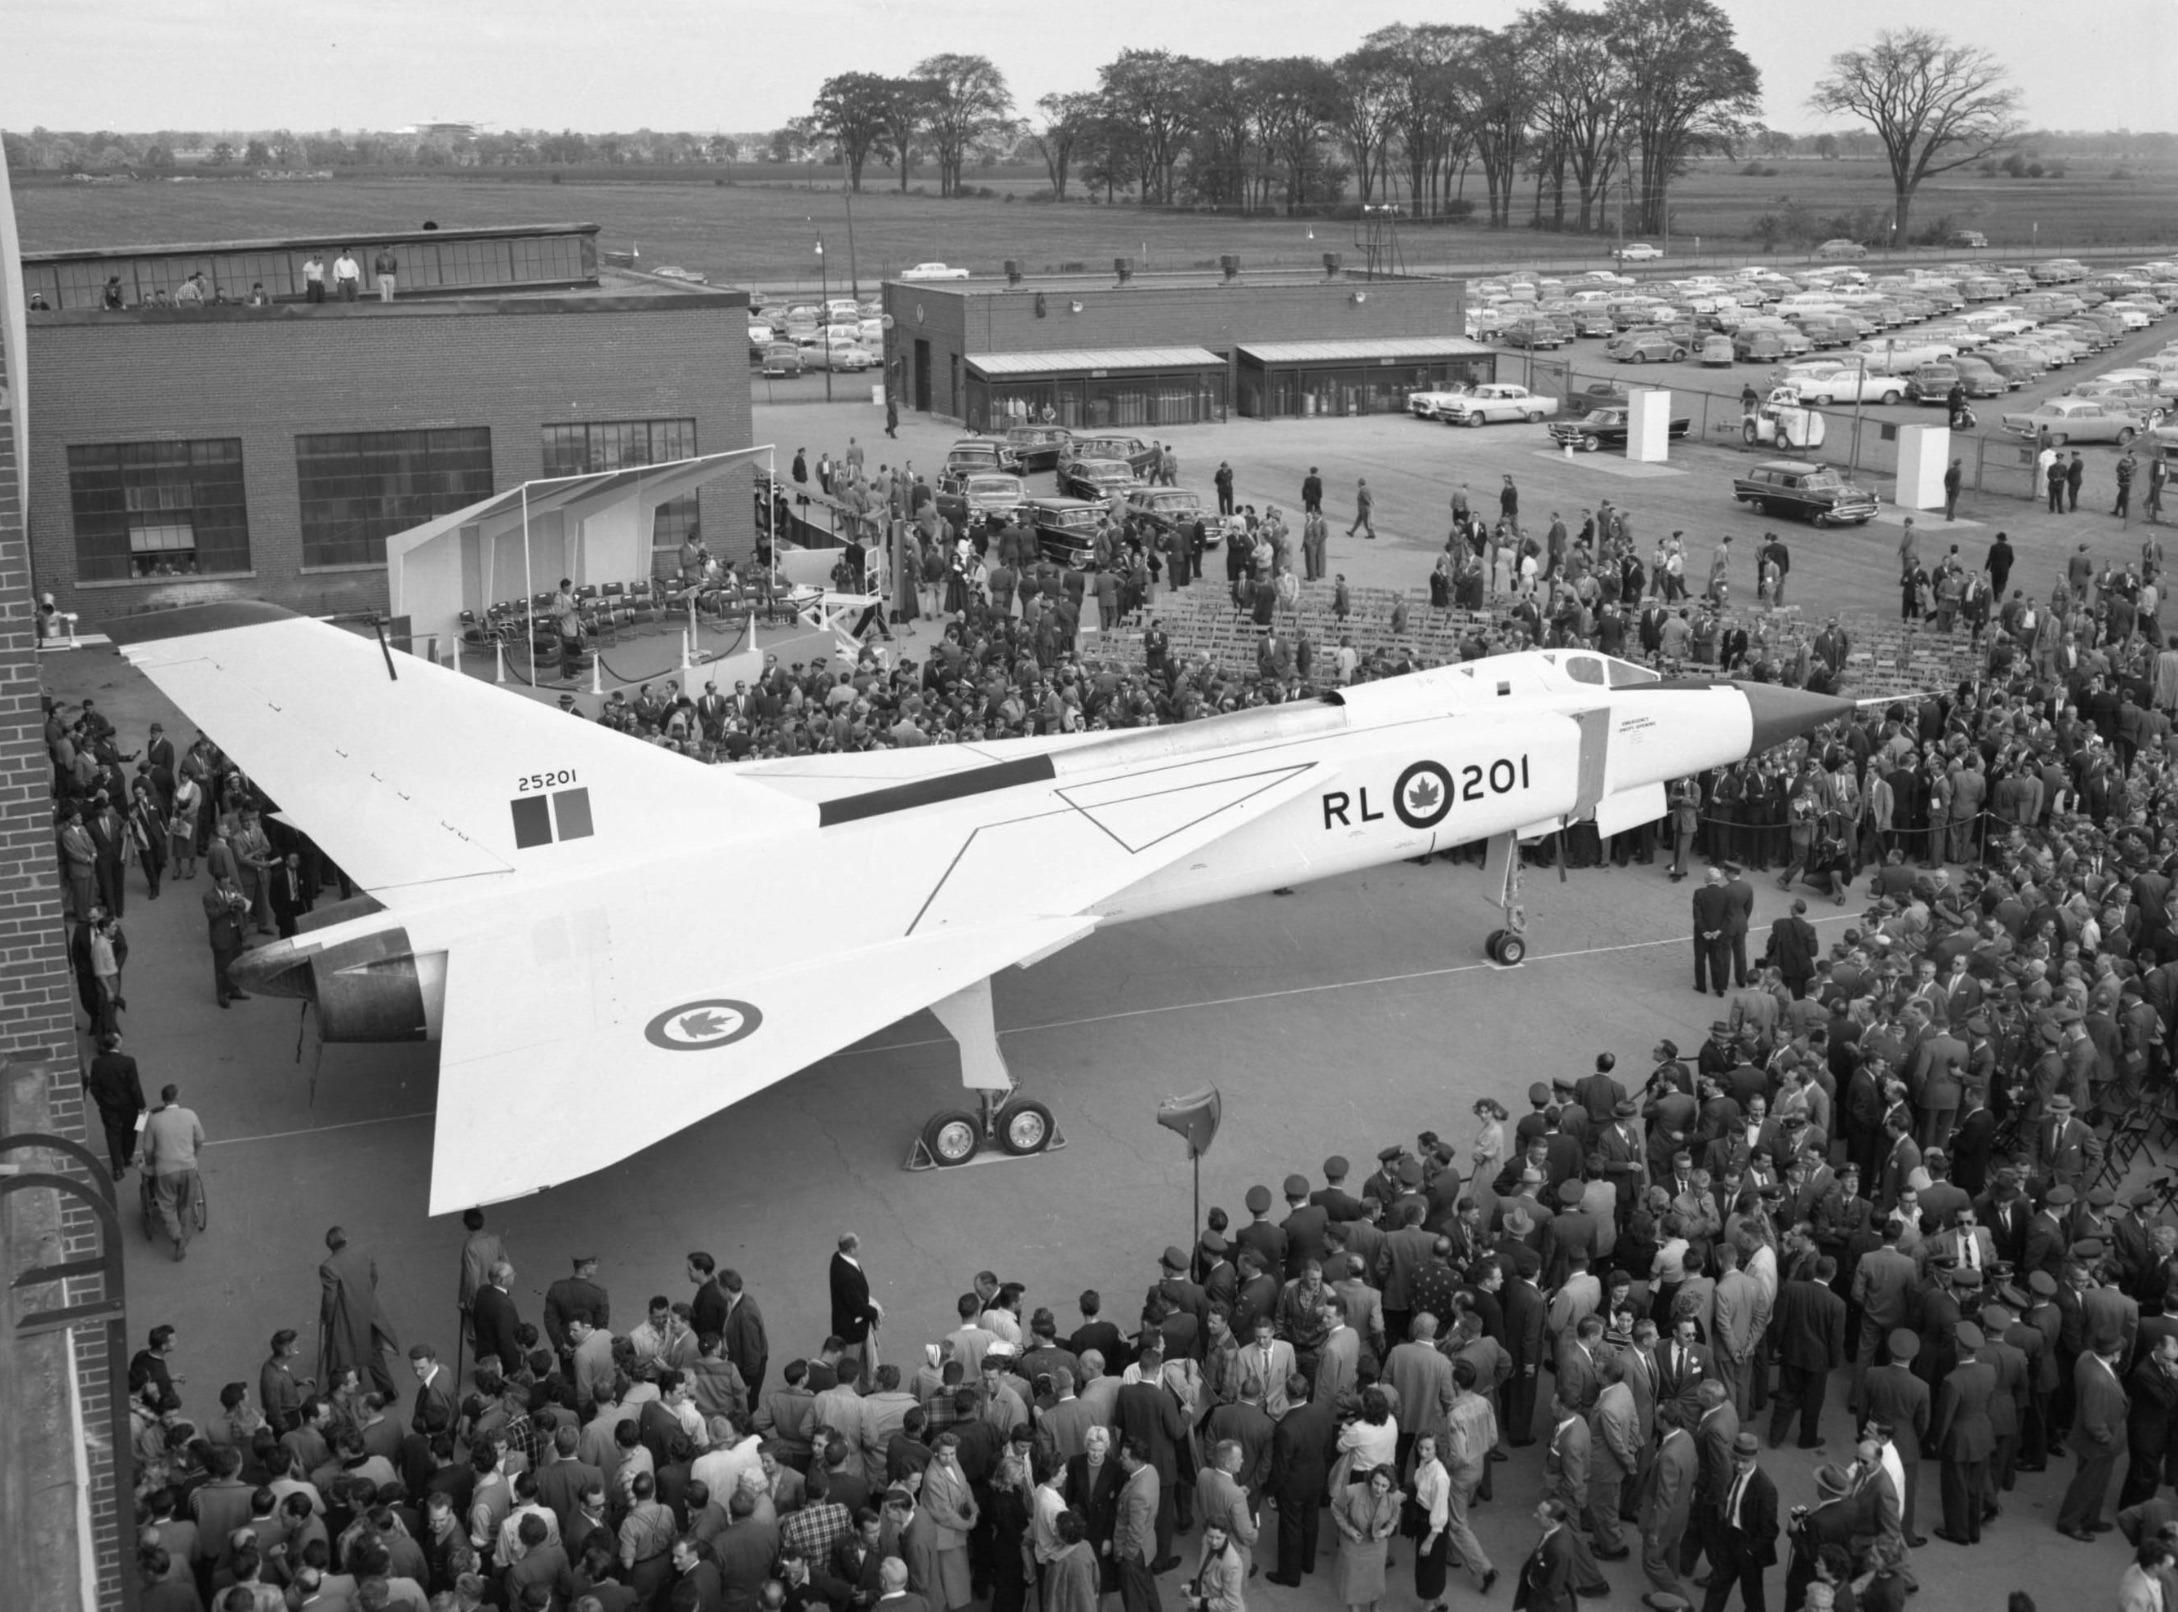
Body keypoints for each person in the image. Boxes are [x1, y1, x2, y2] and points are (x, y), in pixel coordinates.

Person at [318, 1225, 401, 1399]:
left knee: (341, 1351)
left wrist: (327, 1317)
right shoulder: (363, 1251)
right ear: (346, 1239)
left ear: (330, 1246)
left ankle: (339, 1390)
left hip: (346, 1315)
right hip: (368, 1309)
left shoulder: (329, 1266)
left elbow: (330, 1298)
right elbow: (374, 1276)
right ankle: (388, 1388)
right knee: (372, 1349)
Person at [141, 1083, 204, 1261]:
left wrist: (151, 1164)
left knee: (167, 1206)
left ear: (163, 1099)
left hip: (165, 1171)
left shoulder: (154, 1120)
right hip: (188, 1167)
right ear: (177, 1097)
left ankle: (177, 1237)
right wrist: (194, 1155)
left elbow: (147, 1149)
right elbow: (200, 1138)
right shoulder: (190, 1114)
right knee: (186, 1205)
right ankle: (185, 1236)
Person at [1330, 1464, 1400, 1612]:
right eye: (1376, 1483)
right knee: (1352, 1585)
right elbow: (1335, 1507)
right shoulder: (1352, 1491)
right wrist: (1349, 1530)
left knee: (1375, 1583)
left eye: (1384, 1486)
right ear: (1370, 1480)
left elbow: (1395, 1516)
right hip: (1353, 1544)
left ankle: (1375, 1608)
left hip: (1377, 1546)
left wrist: (1387, 1530)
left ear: (1390, 1486)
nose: (1379, 1489)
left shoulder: (1394, 1496)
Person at [86, 1030, 146, 1181]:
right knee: (130, 1131)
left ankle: (117, 1169)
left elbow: (94, 1087)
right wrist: (141, 1105)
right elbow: (134, 1086)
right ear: (117, 1043)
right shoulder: (128, 1062)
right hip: (129, 1105)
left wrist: (102, 1101)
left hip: (108, 1106)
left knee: (112, 1135)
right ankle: (127, 1157)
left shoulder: (97, 1063)